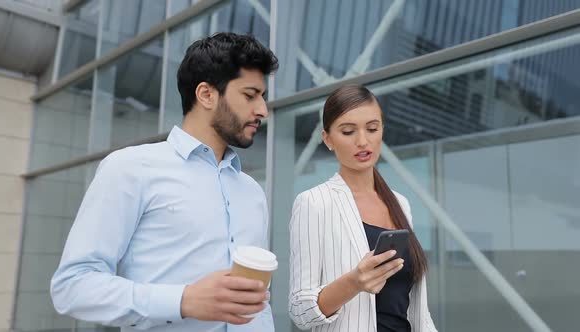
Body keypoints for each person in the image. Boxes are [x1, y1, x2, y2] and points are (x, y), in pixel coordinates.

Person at [50, 32, 279, 332]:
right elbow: (72, 288)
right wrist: (182, 300)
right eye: (250, 95)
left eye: (262, 96)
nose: (262, 109)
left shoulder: (252, 191)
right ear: (206, 95)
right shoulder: (130, 169)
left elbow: (256, 305)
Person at [289, 84, 437, 332]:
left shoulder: (400, 203)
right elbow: (300, 311)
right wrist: (354, 281)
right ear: (328, 139)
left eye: (372, 129)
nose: (362, 141)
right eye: (348, 131)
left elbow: (415, 309)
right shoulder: (313, 202)